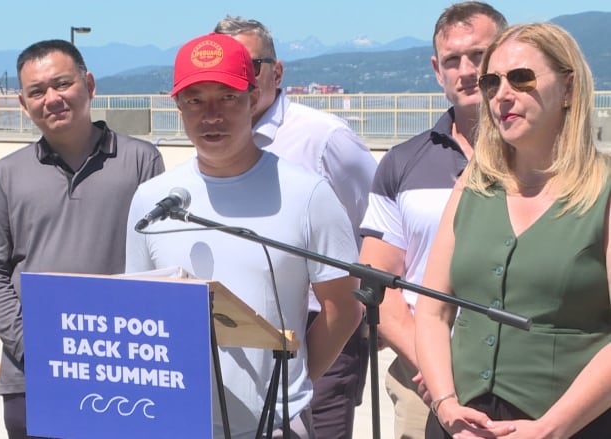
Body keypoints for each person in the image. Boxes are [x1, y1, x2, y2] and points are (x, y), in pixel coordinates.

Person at [125, 32, 363, 439]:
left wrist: (289, 384)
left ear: (253, 99)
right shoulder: (152, 198)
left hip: (274, 425)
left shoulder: (308, 194)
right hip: (176, 422)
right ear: (178, 107)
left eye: (227, 97)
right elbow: (140, 313)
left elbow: (344, 308)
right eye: (195, 100)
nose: (210, 115)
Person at [416, 22, 611, 438]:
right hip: (459, 425)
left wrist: (552, 427)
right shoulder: (473, 184)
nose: (502, 94)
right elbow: (432, 311)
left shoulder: (604, 191)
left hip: (574, 427)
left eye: (521, 78)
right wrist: (447, 406)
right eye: (492, 82)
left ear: (570, 88)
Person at [0, 39, 164, 439]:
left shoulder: (142, 161)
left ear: (89, 84)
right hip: (32, 375)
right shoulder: (7, 173)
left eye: (62, 84)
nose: (52, 98)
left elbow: (159, 265)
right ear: (23, 104)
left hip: (121, 366)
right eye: (37, 91)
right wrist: (30, 343)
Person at [214, 16, 377, 438]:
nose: (241, 80)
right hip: (237, 338)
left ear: (277, 70)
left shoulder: (324, 139)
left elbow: (369, 224)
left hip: (319, 328)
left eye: (251, 66)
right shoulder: (210, 145)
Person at [357, 3, 507, 438]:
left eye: (479, 56)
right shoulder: (401, 164)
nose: (466, 71)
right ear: (436, 70)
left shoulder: (548, 164)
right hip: (420, 384)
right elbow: (377, 282)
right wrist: (436, 371)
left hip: (526, 383)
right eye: (452, 60)